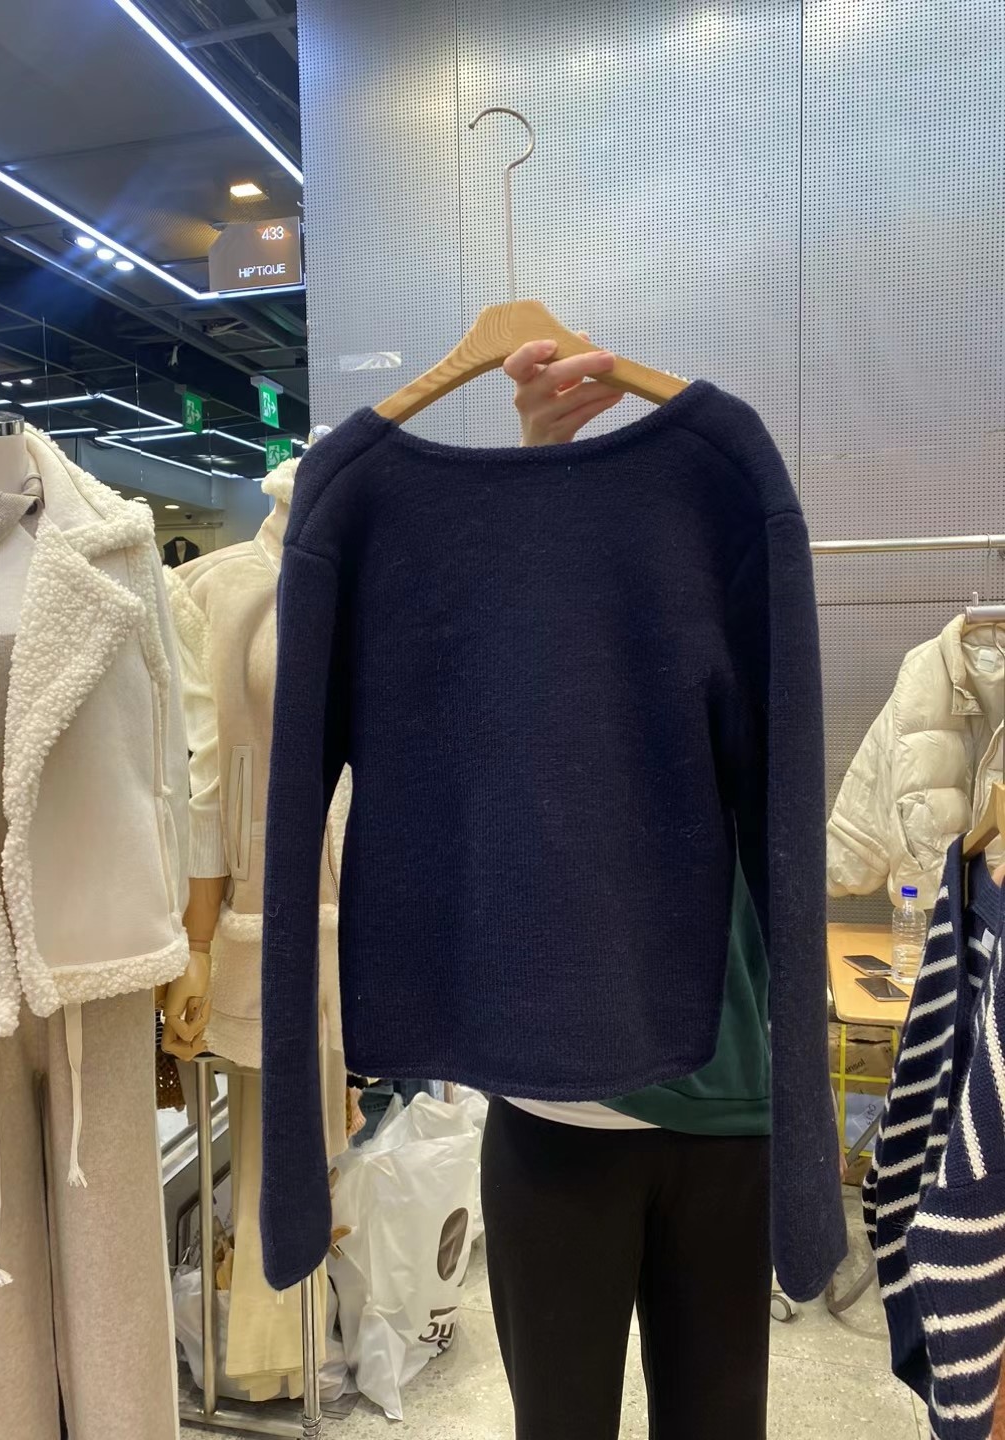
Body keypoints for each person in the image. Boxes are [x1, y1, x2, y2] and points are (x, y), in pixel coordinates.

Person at [490, 337, 773, 1440]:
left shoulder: (739, 571)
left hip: (726, 1089)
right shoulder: (528, 632)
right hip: (558, 1097)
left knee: (719, 1422)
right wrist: (537, 472)